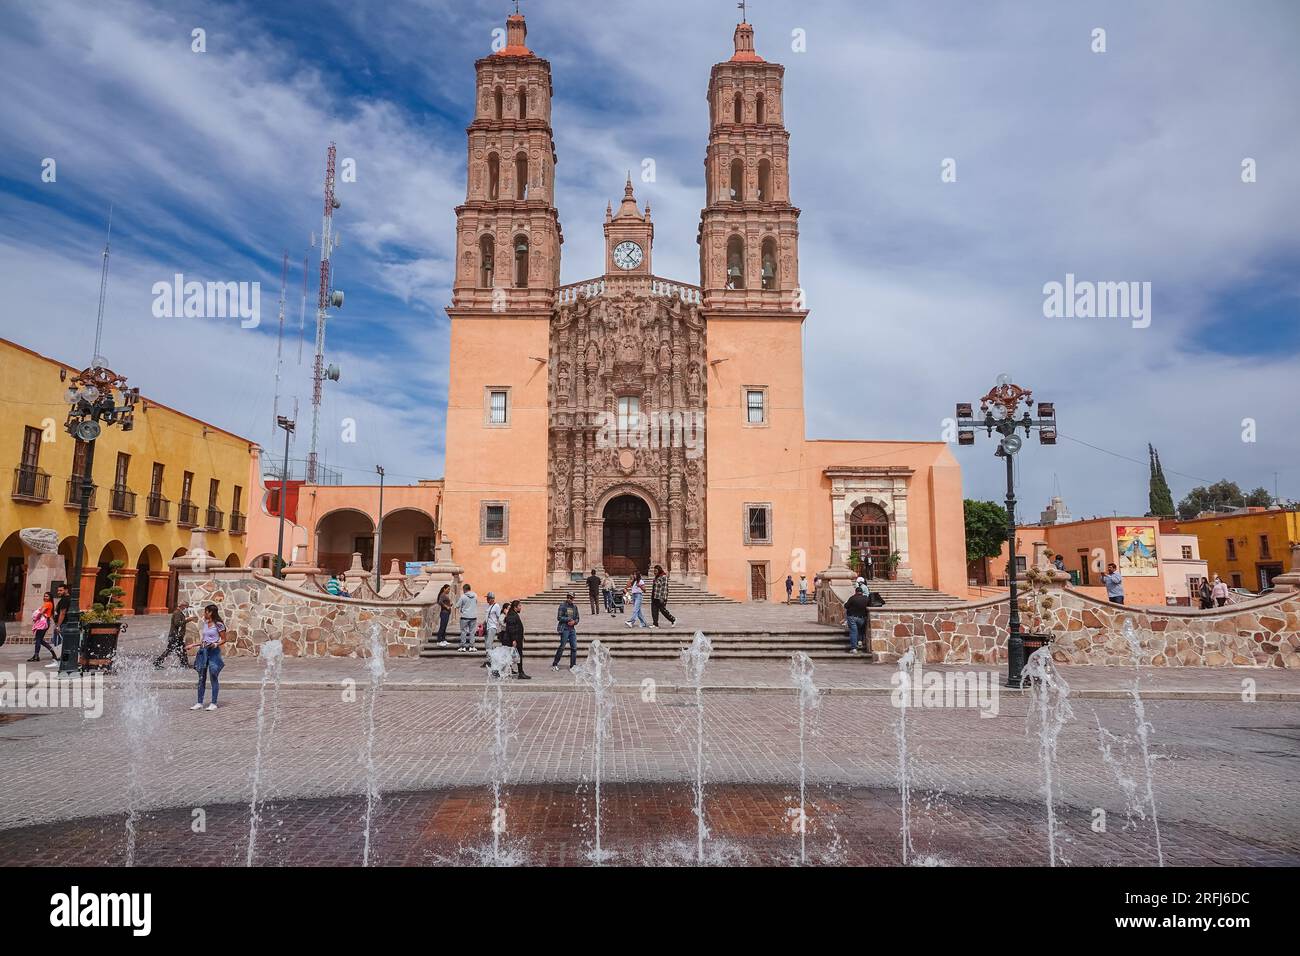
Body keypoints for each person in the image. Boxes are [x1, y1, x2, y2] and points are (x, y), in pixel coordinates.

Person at [186, 604, 228, 711]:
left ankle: (214, 703)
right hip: (203, 651)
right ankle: (199, 702)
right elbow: (203, 640)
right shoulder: (205, 623)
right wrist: (193, 645)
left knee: (213, 676)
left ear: (210, 612)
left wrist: (216, 644)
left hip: (213, 652)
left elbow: (224, 639)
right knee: (201, 677)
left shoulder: (218, 624)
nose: (204, 614)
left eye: (205, 611)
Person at [154, 601, 191, 669]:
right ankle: (157, 662)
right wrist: (187, 620)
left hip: (177, 636)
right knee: (171, 650)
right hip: (175, 636)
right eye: (186, 607)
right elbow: (177, 624)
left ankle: (184, 663)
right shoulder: (177, 613)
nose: (187, 608)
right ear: (182, 606)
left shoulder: (179, 613)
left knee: (180, 650)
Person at [502, 599, 530, 679]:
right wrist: (514, 640)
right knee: (515, 656)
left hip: (516, 639)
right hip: (513, 640)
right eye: (519, 606)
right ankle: (519, 673)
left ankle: (519, 672)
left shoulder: (513, 614)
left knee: (515, 657)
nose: (521, 607)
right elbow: (511, 628)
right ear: (515, 607)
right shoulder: (512, 615)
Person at [552, 592, 580, 671]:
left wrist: (574, 622)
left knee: (574, 647)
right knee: (562, 647)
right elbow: (559, 617)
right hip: (564, 629)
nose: (570, 599)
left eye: (571, 598)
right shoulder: (562, 606)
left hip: (572, 629)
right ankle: (555, 663)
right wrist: (568, 619)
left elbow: (577, 617)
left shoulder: (575, 607)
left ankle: (573, 665)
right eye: (568, 598)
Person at [28, 593, 57, 664]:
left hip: (43, 622)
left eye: (47, 596)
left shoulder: (47, 604)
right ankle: (52, 652)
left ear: (50, 597)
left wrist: (36, 617)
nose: (45, 597)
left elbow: (41, 612)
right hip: (46, 622)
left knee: (38, 639)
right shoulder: (50, 604)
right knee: (40, 639)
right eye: (44, 596)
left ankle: (36, 655)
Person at [844, 587, 871, 654]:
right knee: (860, 630)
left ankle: (854, 648)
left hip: (852, 617)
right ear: (862, 592)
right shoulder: (866, 599)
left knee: (853, 632)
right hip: (862, 617)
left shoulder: (852, 598)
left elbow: (846, 606)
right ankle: (860, 642)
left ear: (855, 592)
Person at [480, 592, 503, 667]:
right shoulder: (489, 606)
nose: (487, 600)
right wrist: (483, 623)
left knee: (489, 644)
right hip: (487, 627)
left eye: (488, 598)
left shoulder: (496, 606)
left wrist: (500, 627)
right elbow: (488, 617)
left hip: (492, 627)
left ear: (492, 599)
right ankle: (491, 659)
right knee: (487, 644)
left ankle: (489, 661)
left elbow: (499, 617)